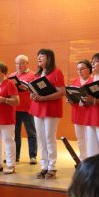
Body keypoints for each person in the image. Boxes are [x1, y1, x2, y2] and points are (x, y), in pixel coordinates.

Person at [29, 49, 65, 179]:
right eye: (38, 56)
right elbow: (35, 89)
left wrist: (44, 98)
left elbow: (62, 92)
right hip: (38, 108)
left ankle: (52, 167)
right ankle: (43, 166)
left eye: (42, 56)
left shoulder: (56, 72)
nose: (39, 58)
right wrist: (33, 95)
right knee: (41, 138)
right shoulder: (38, 73)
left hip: (50, 109)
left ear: (49, 58)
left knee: (49, 138)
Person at [9, 55, 37, 165]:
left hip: (28, 108)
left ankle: (33, 156)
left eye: (21, 63)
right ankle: (15, 156)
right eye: (16, 63)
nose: (18, 65)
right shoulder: (12, 76)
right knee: (15, 134)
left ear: (27, 63)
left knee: (31, 133)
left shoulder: (33, 75)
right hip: (15, 108)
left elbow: (35, 91)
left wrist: (26, 88)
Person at [66, 59, 92, 161]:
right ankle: (82, 158)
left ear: (89, 69)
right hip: (78, 113)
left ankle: (90, 159)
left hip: (89, 114)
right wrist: (71, 100)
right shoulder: (75, 81)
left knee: (89, 138)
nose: (80, 71)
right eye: (78, 69)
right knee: (80, 138)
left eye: (82, 69)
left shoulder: (93, 81)